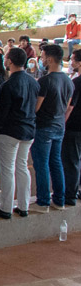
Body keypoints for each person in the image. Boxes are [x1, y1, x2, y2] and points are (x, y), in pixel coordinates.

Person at [0, 47, 39, 219]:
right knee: (22, 167)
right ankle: (23, 205)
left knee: (8, 169)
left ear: (9, 61)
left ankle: (6, 207)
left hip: (10, 131)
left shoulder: (8, 85)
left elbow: (2, 112)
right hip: (28, 130)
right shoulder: (33, 82)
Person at [31, 44, 73, 212]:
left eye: (42, 55)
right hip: (59, 125)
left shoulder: (46, 81)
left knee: (41, 164)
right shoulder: (68, 80)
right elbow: (66, 105)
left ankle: (43, 201)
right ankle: (59, 199)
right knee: (56, 162)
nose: (41, 59)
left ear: (49, 58)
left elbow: (36, 107)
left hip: (44, 127)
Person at [62, 50, 81, 207]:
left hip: (74, 127)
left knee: (72, 162)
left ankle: (70, 195)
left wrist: (62, 124)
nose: (71, 62)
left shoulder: (77, 82)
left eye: (73, 60)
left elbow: (69, 108)